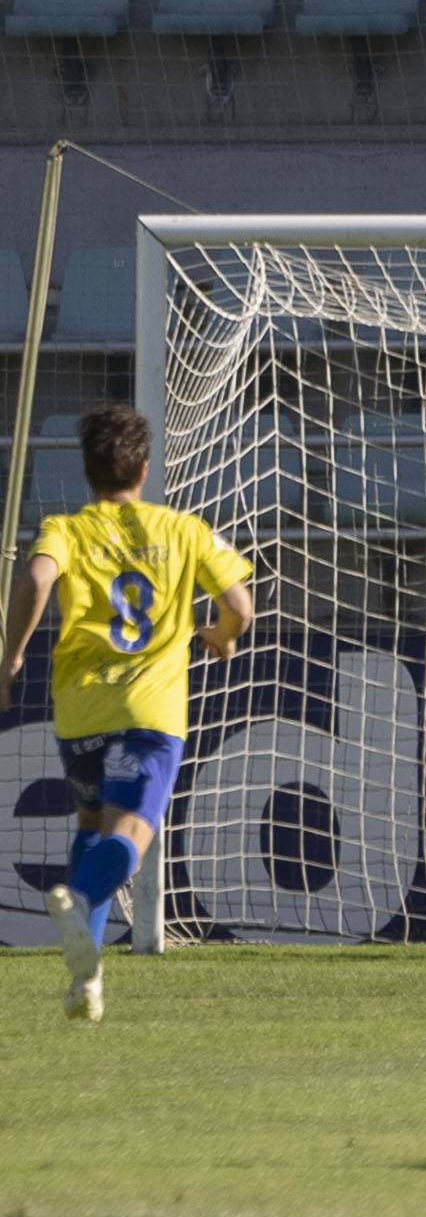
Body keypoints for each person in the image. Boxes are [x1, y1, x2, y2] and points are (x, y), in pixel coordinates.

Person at [0, 402, 254, 1023]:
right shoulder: (183, 529)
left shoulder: (65, 528)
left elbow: (35, 581)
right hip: (149, 709)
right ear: (144, 468)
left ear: (87, 472)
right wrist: (221, 635)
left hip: (81, 710)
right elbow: (241, 606)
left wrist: (10, 658)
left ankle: (86, 981)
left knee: (91, 818)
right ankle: (81, 897)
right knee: (132, 832)